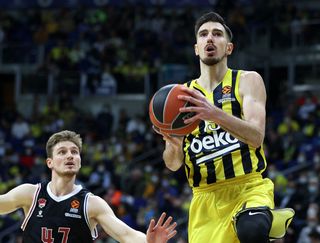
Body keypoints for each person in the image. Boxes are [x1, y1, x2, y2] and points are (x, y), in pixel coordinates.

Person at [156, 12, 294, 243]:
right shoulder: (180, 95)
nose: (210, 38)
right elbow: (172, 164)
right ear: (196, 48)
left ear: (228, 48)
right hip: (205, 200)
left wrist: (214, 113)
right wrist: (173, 145)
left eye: (217, 34)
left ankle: (263, 221)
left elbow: (256, 136)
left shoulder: (247, 80)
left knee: (252, 230)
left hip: (248, 187)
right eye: (203, 34)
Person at [0, 130, 177, 243]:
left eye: (74, 152)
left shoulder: (91, 203)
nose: (70, 156)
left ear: (80, 161)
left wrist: (148, 242)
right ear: (50, 162)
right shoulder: (30, 194)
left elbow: (126, 235)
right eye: (62, 152)